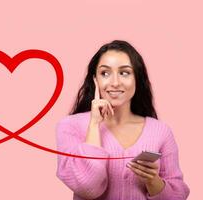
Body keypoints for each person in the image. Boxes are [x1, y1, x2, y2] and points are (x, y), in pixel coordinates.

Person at [56, 40, 189, 200]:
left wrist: (153, 181)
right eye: (105, 73)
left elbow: (179, 195)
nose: (115, 83)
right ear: (95, 80)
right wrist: (94, 125)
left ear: (137, 79)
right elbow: (87, 187)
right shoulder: (69, 126)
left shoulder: (161, 131)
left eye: (124, 73)